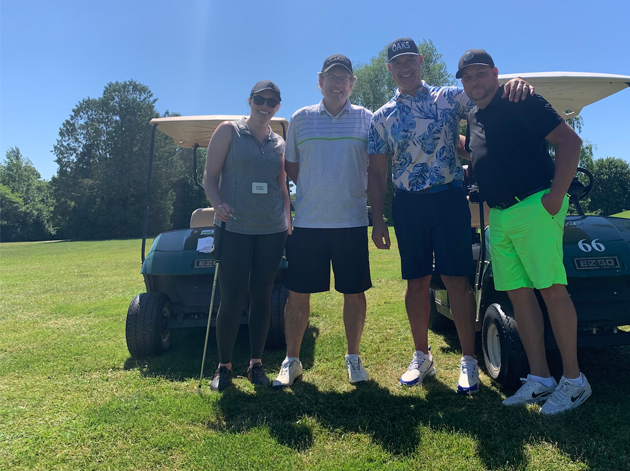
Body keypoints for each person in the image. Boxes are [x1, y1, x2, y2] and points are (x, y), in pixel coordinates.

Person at [367, 37, 532, 394]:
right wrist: (378, 219)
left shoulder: (447, 97)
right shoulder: (381, 117)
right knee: (416, 283)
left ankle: (468, 360)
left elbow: (485, 91)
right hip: (408, 205)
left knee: (457, 279)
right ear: (390, 69)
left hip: (449, 199)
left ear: (421, 61)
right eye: (398, 63)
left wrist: (514, 84)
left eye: (410, 60)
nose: (405, 67)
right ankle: (422, 356)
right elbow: (378, 173)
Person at [458, 48, 590, 415]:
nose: (474, 82)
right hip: (498, 216)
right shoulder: (473, 115)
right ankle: (541, 378)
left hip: (535, 205)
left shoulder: (522, 98)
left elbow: (570, 142)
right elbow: (478, 153)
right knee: (520, 297)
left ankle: (575, 381)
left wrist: (555, 197)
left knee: (551, 290)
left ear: (496, 73)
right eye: (467, 77)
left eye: (480, 73)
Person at [273, 54, 375, 387]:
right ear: (320, 81)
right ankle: (292, 360)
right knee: (298, 294)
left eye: (343, 78)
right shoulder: (300, 119)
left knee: (354, 293)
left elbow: (375, 168)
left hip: (352, 221)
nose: (337, 83)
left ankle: (354, 358)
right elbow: (291, 168)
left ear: (352, 84)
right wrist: (319, 185)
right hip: (309, 223)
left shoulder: (367, 119)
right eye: (331, 77)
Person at [202, 80, 291, 392]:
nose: (264, 106)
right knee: (232, 297)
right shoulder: (228, 131)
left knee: (263, 297)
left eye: (271, 101)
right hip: (234, 228)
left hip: (272, 229)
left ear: (277, 106)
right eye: (260, 99)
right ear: (250, 100)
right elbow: (210, 177)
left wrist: (288, 223)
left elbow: (283, 187)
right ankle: (223, 367)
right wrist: (218, 204)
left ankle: (256, 365)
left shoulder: (280, 142)